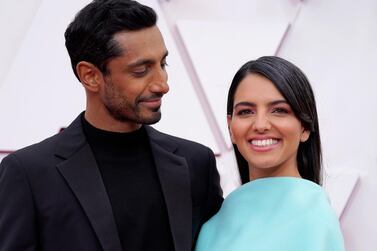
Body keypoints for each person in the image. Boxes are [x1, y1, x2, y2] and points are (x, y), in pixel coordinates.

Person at [0, 1, 223, 251]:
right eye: (141, 71)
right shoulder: (29, 175)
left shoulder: (196, 163)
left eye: (163, 64)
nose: (162, 84)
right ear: (90, 76)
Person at [195, 56, 345, 251]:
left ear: (305, 127)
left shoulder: (314, 219)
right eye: (246, 112)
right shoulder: (211, 224)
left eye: (279, 110)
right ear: (230, 126)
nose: (260, 125)